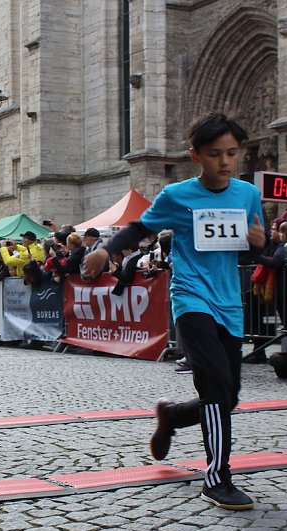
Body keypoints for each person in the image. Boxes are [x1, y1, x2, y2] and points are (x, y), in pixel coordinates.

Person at [83, 112, 266, 510]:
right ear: (195, 155)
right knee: (215, 386)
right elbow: (139, 228)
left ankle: (172, 416)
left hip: (229, 305)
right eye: (215, 154)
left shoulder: (248, 195)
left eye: (232, 153)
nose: (224, 162)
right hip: (190, 300)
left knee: (228, 396)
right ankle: (217, 479)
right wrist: (105, 249)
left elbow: (257, 248)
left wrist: (257, 241)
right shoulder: (177, 196)